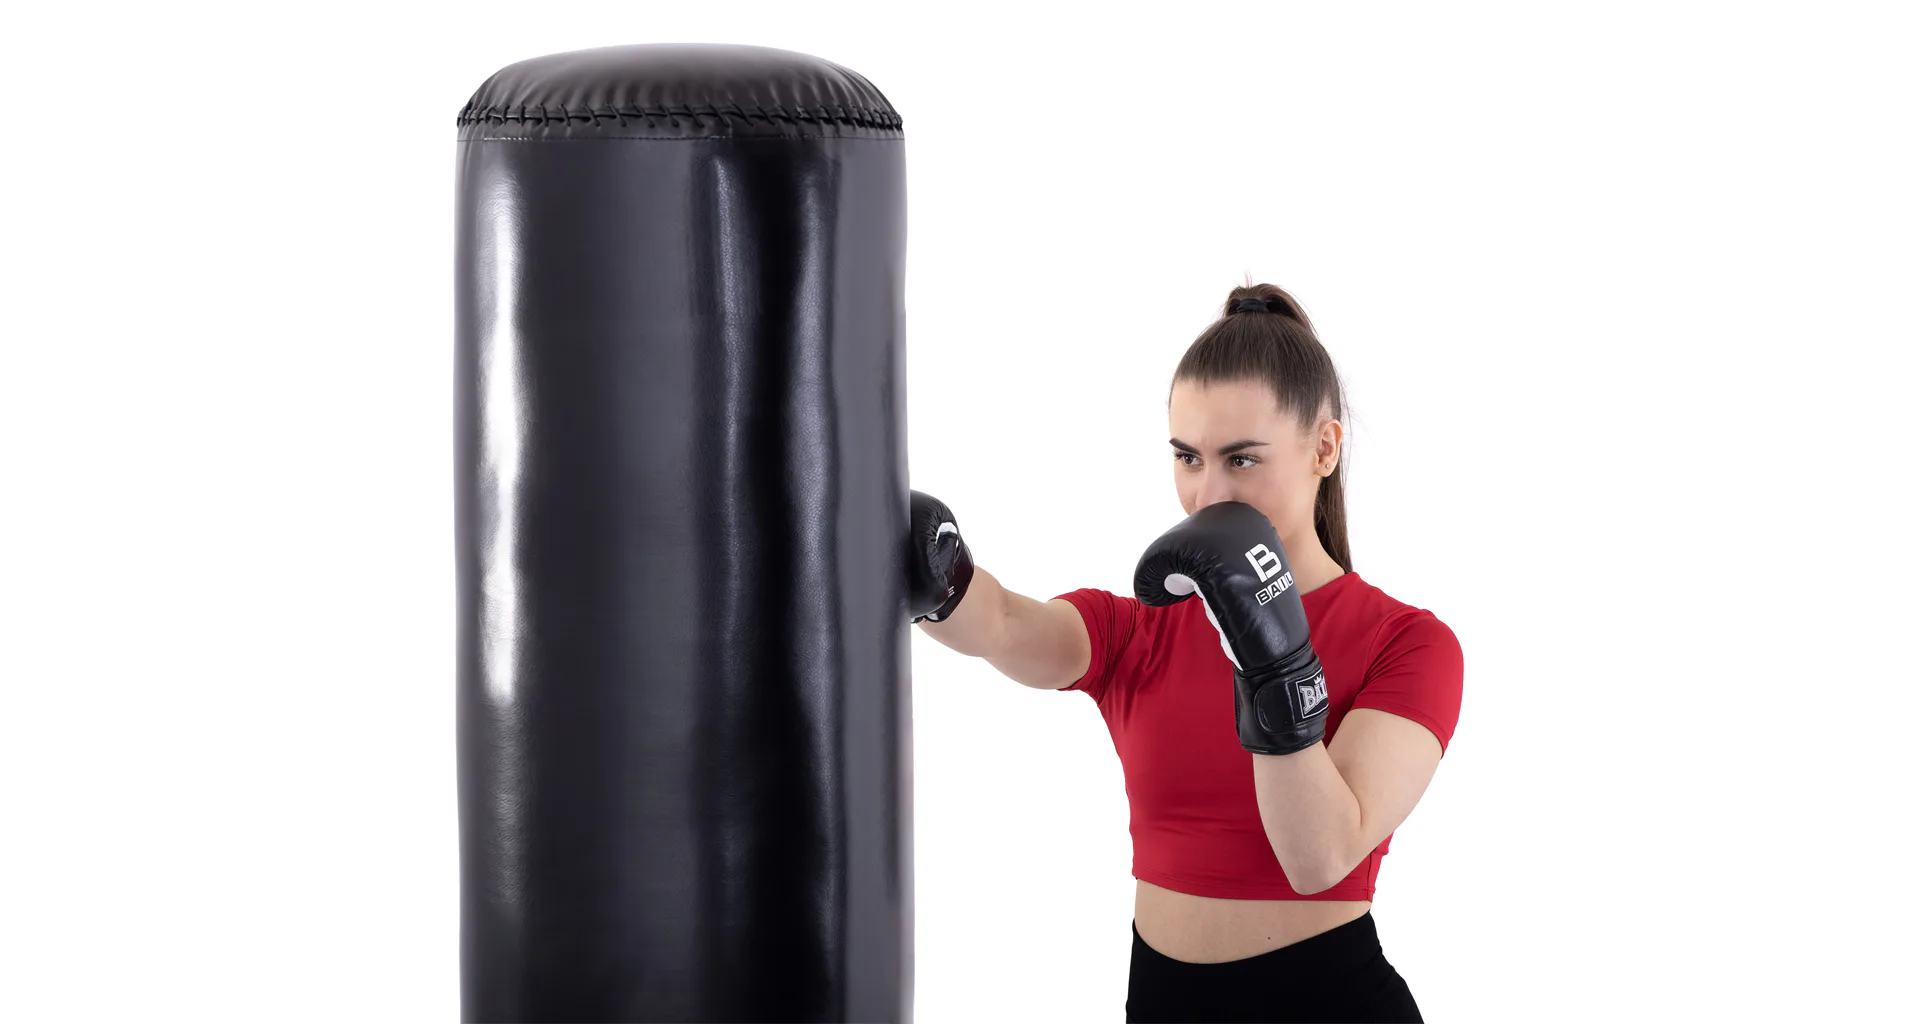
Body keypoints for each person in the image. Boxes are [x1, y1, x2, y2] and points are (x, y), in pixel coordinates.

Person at [907, 283, 1464, 1023]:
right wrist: (925, 565)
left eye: (1242, 459)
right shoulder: (1140, 630)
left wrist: (1270, 655)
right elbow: (1005, 624)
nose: (1208, 494)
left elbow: (1320, 858)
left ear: (1324, 448)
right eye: (1188, 457)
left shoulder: (1408, 643)